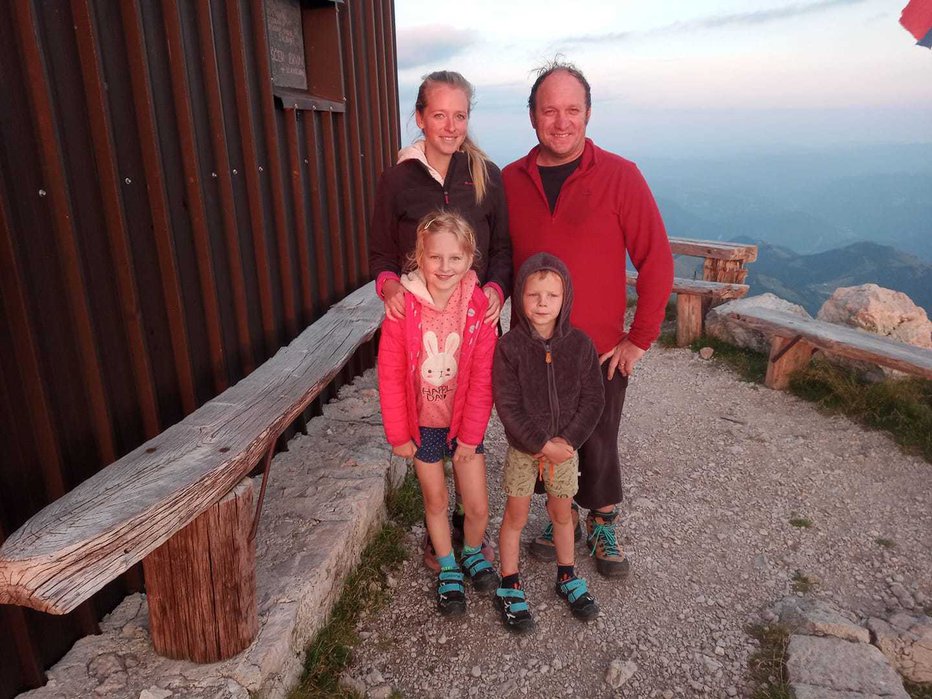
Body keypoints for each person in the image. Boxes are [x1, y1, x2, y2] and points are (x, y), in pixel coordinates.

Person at [502, 60, 674, 578]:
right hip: (530, 346)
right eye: (549, 110)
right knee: (537, 433)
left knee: (597, 435)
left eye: (572, 109)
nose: (561, 121)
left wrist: (638, 338)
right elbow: (489, 254)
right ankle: (562, 516)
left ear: (589, 114)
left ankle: (602, 520)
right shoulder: (509, 180)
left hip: (598, 347)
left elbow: (656, 260)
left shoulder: (621, 176)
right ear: (532, 116)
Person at [369, 70, 511, 571]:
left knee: (468, 432)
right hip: (418, 327)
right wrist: (388, 286)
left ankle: (464, 526)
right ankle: (443, 539)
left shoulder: (487, 176)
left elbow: (502, 250)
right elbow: (382, 252)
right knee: (431, 432)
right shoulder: (397, 180)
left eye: (460, 115)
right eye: (439, 115)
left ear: (468, 118)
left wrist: (495, 290)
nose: (450, 126)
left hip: (472, 326)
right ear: (420, 117)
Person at [376, 210, 499, 616]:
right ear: (418, 257)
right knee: (436, 498)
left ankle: (471, 552)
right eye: (435, 258)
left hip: (462, 423)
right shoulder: (403, 308)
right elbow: (391, 375)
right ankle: (447, 565)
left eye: (455, 258)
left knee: (476, 505)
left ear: (469, 259)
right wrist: (398, 434)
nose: (444, 267)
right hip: (423, 424)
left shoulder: (478, 306)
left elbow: (483, 377)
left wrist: (470, 434)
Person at [492, 253, 605, 633]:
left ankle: (567, 574)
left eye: (552, 295)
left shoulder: (581, 346)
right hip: (525, 450)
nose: (542, 303)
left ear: (565, 298)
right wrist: (540, 442)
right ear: (520, 298)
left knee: (561, 513)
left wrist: (567, 441)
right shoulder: (509, 348)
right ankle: (509, 582)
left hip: (565, 451)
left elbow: (593, 400)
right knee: (517, 516)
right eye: (533, 294)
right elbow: (507, 405)